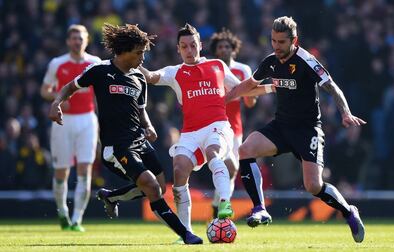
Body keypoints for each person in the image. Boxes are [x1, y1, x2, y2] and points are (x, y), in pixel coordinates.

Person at [48, 23, 203, 244]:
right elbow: (70, 87)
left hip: (139, 140)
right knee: (150, 186)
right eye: (139, 53)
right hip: (116, 147)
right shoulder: (100, 70)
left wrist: (148, 126)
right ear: (124, 51)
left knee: (158, 186)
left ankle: (111, 196)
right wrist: (56, 103)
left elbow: (140, 109)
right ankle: (186, 235)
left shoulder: (139, 77)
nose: (143, 58)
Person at [226, 16, 366, 243]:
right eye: (273, 41)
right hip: (281, 126)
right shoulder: (270, 61)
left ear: (294, 40)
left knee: (313, 186)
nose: (276, 46)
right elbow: (250, 85)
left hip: (308, 130)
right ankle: (260, 208)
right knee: (246, 149)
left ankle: (349, 212)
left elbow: (332, 87)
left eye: (281, 42)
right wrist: (226, 98)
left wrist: (345, 113)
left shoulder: (307, 61)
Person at [139, 23, 274, 235]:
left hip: (218, 126)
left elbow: (242, 88)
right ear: (178, 49)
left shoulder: (217, 66)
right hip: (191, 133)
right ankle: (186, 231)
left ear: (200, 45)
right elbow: (151, 77)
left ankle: (223, 204)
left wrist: (272, 87)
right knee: (179, 170)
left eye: (193, 45)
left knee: (213, 153)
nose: (189, 50)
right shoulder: (175, 72)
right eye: (184, 47)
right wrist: (133, 61)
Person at [41, 24, 100, 232]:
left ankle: (77, 220)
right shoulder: (57, 63)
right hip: (62, 122)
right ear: (68, 41)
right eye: (74, 38)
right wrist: (58, 100)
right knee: (61, 172)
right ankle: (63, 214)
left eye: (81, 38)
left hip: (87, 120)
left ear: (86, 40)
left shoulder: (95, 63)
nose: (77, 41)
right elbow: (44, 90)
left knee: (85, 169)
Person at [209, 28, 256, 217]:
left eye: (227, 46)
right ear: (216, 50)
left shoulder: (242, 69)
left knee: (231, 170)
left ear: (233, 49)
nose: (223, 50)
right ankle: (221, 205)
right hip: (212, 126)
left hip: (235, 129)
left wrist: (250, 95)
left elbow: (250, 102)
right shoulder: (211, 68)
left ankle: (218, 205)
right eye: (220, 47)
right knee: (222, 168)